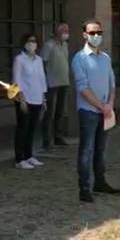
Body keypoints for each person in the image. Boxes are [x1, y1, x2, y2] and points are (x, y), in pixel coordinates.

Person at [71, 19, 120, 203]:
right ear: (85, 35)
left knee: (101, 149)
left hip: (105, 111)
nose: (96, 36)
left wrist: (109, 105)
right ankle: (84, 188)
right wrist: (101, 106)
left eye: (99, 32)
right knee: (87, 150)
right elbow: (82, 88)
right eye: (92, 33)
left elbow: (112, 84)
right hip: (88, 112)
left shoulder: (105, 58)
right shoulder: (79, 58)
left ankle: (100, 182)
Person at [13, 33, 47, 169]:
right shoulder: (19, 59)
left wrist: (44, 98)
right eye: (29, 41)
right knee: (23, 128)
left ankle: (29, 155)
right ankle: (19, 158)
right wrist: (21, 99)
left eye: (34, 41)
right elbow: (17, 80)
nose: (31, 44)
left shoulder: (38, 60)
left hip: (37, 97)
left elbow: (41, 78)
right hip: (24, 98)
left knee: (32, 128)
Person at [41, 23, 71, 151]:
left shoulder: (65, 45)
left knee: (60, 111)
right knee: (49, 112)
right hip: (51, 83)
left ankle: (58, 136)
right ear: (57, 32)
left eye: (67, 30)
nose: (66, 32)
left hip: (63, 81)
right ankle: (47, 140)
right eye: (63, 30)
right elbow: (43, 63)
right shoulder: (49, 45)